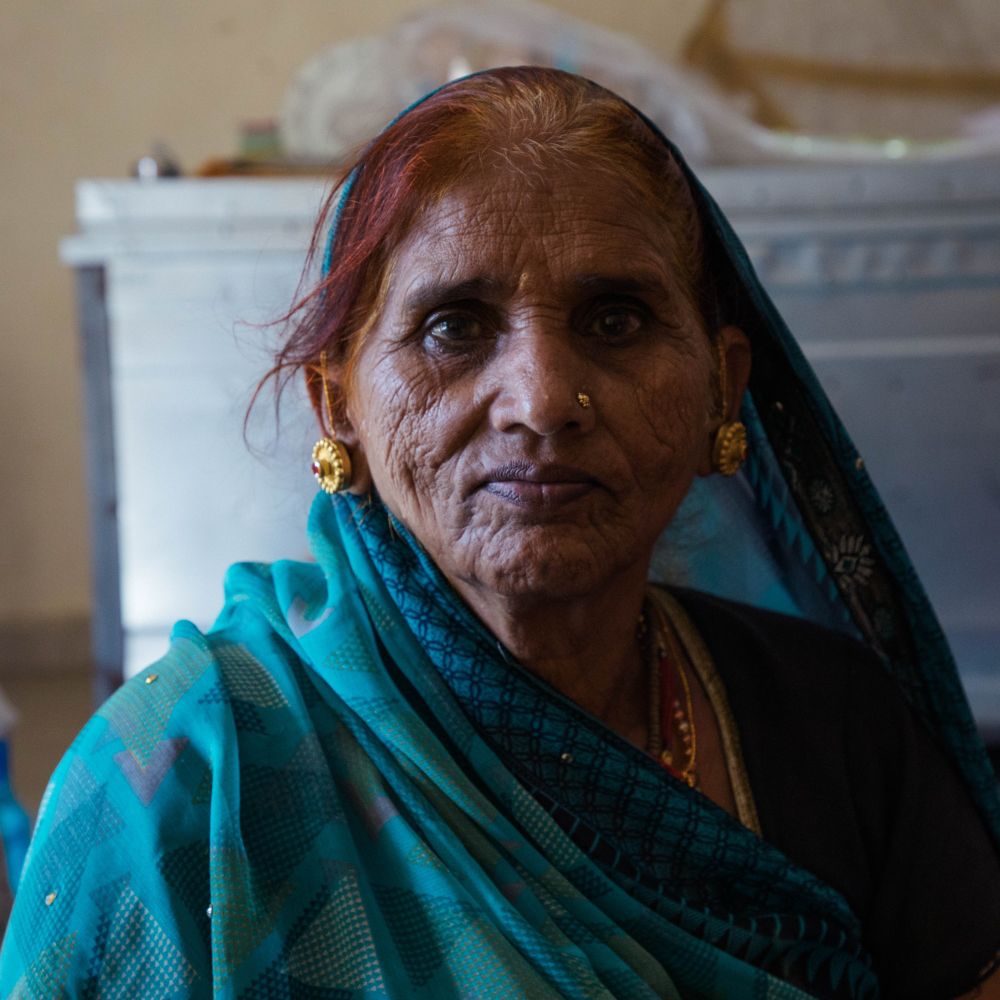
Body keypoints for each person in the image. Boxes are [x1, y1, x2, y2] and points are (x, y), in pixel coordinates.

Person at [2, 67, 999, 999]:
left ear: (721, 390)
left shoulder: (834, 721)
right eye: (453, 326)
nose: (541, 400)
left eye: (614, 320)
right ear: (336, 399)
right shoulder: (185, 773)